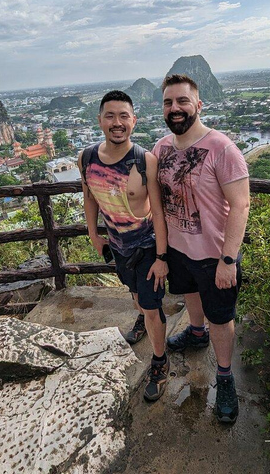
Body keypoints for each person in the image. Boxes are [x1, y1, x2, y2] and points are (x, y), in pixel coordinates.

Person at [152, 74, 250, 423]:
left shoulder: (222, 148)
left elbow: (240, 206)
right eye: (168, 102)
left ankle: (224, 376)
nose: (175, 108)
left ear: (198, 105)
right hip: (178, 249)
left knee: (221, 318)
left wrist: (228, 259)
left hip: (214, 253)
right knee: (189, 293)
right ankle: (195, 333)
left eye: (181, 101)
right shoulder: (161, 148)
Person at [79, 90, 171, 402]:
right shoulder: (87, 158)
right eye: (110, 116)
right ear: (100, 120)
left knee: (151, 306)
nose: (117, 123)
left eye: (123, 116)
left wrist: (161, 257)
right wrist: (94, 234)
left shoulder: (145, 161)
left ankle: (160, 361)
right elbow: (89, 196)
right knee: (136, 298)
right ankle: (143, 317)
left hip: (146, 247)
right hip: (118, 248)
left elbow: (157, 211)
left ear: (133, 121)